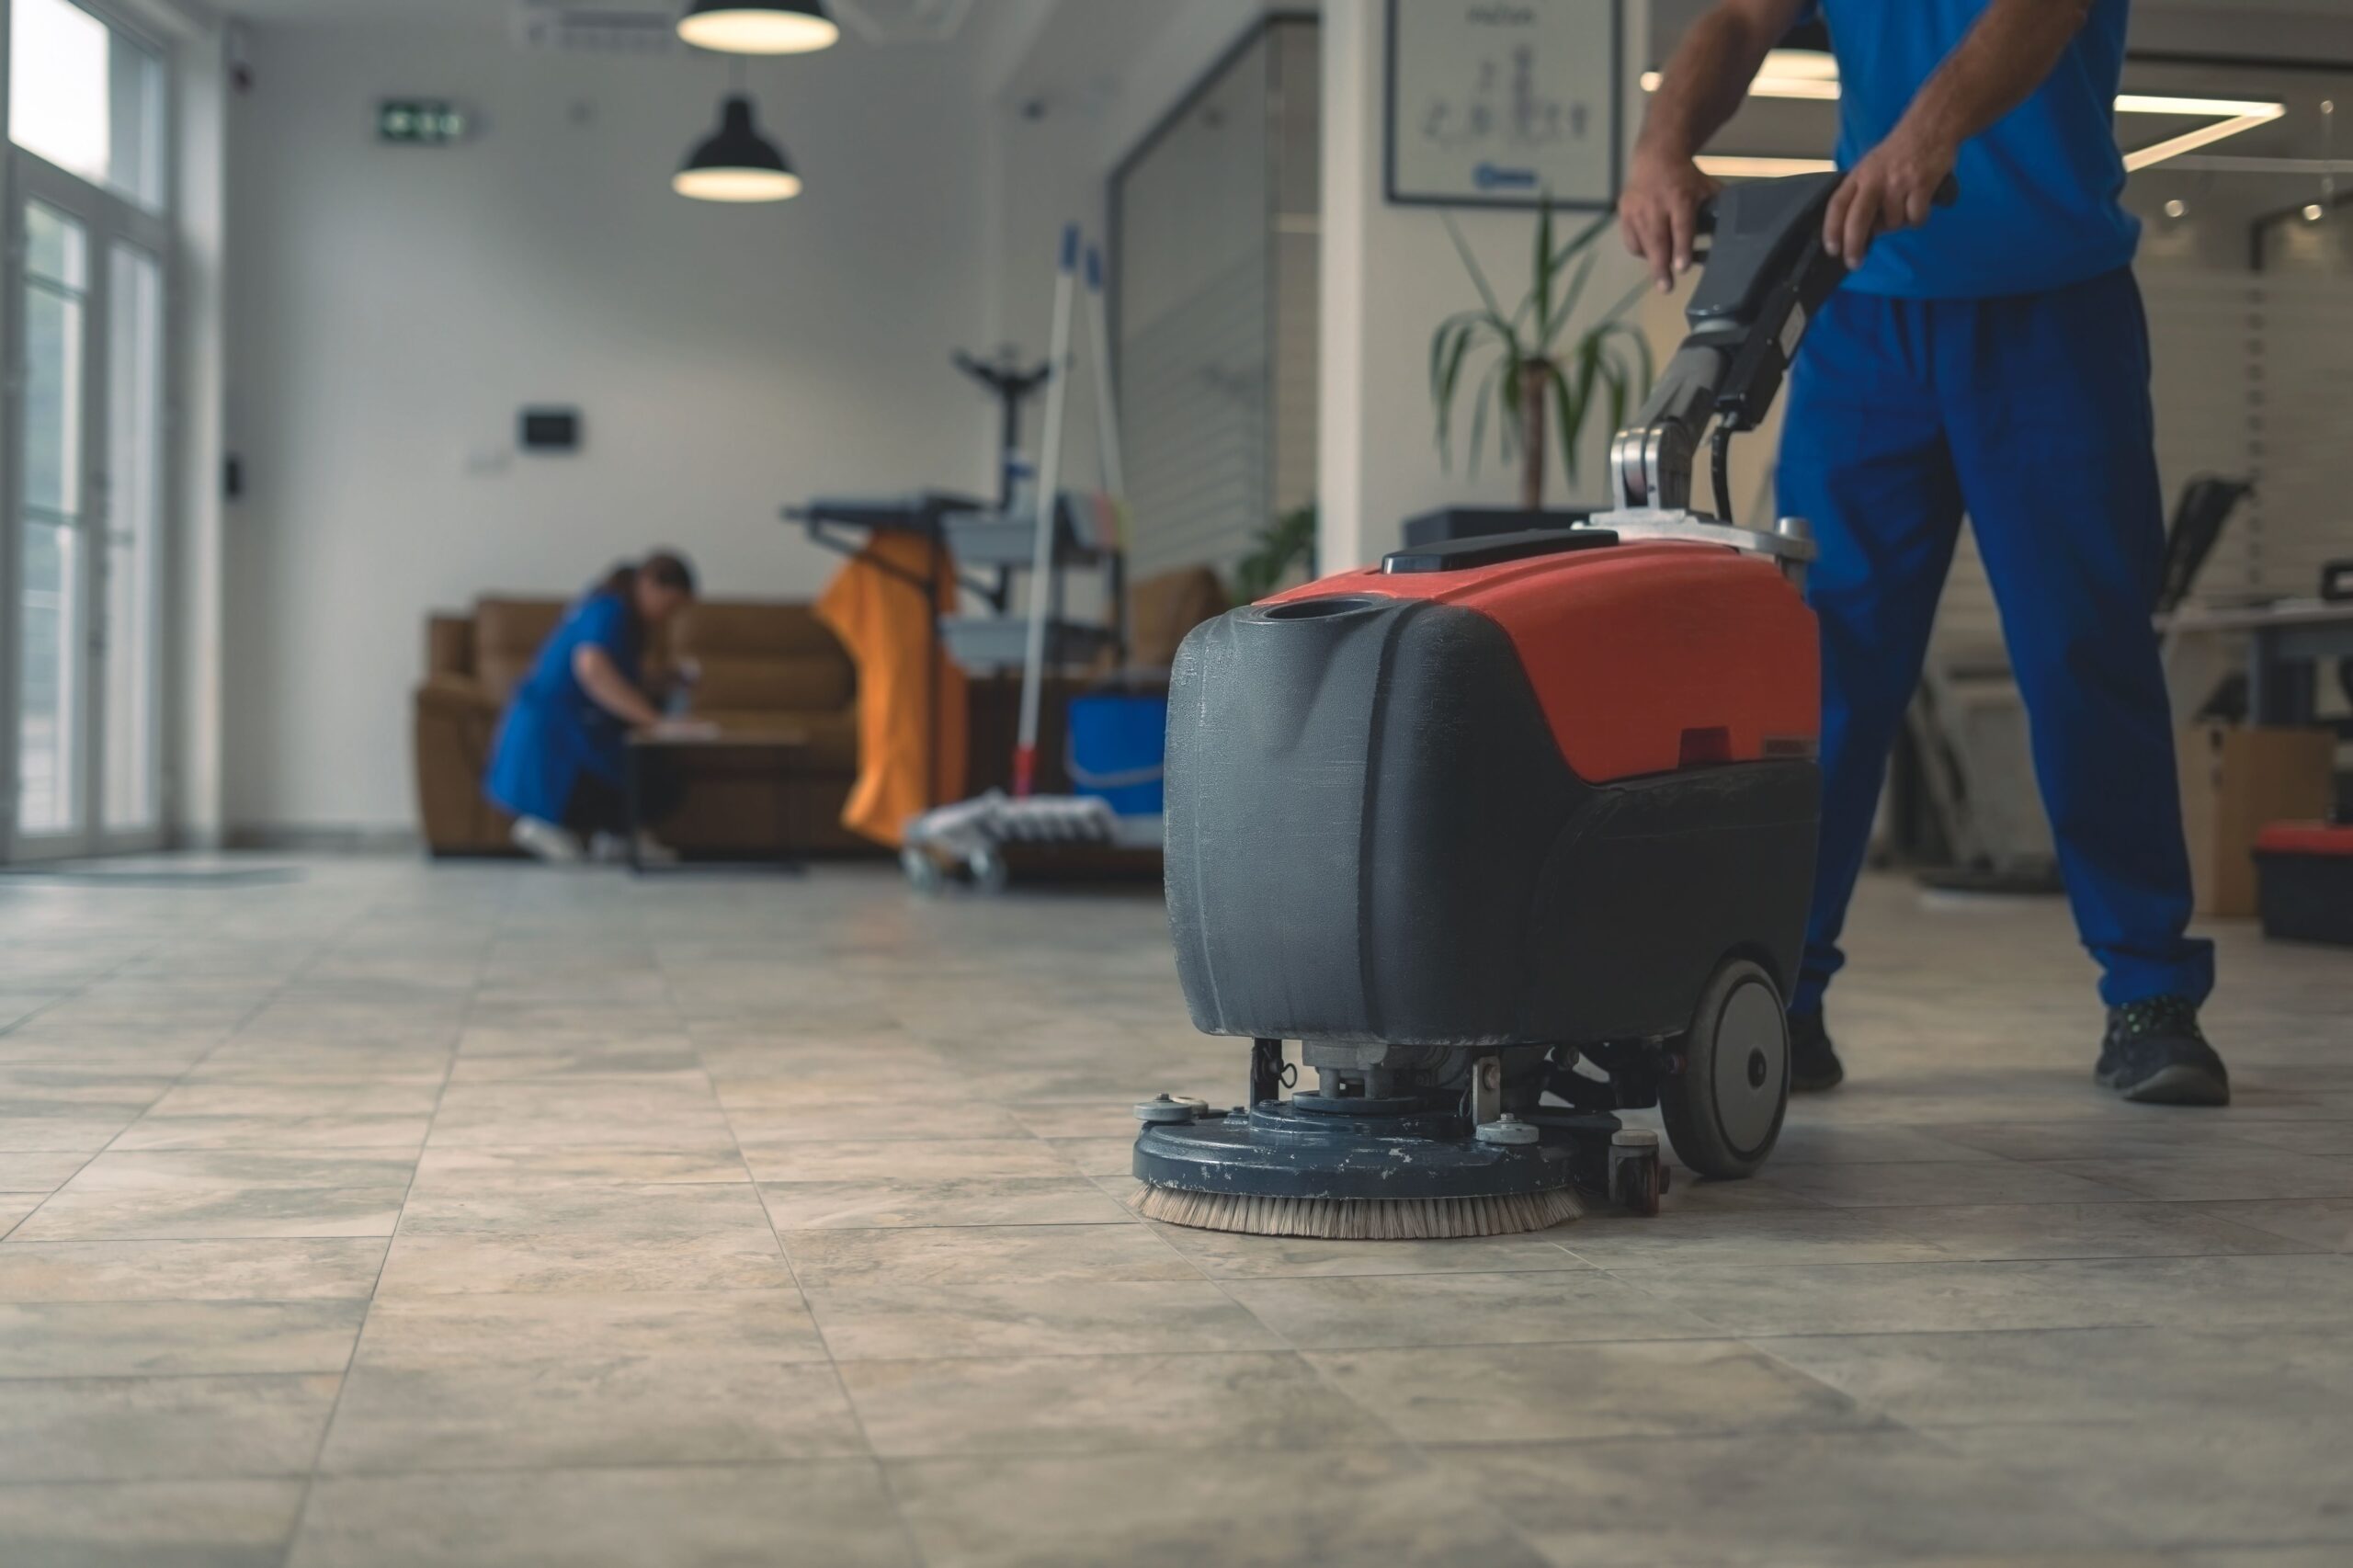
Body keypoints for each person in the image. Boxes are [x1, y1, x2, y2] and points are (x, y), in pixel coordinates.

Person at [1622, 0, 2228, 1105]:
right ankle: (1780, 994)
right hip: (1864, 317)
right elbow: (1741, 17)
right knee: (1820, 675)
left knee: (2081, 654)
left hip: (2055, 313)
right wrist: (1662, 145)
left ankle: (2150, 993)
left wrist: (1927, 127)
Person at [485, 551, 699, 865]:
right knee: (654, 779)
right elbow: (592, 669)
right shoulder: (609, 610)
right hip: (557, 738)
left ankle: (616, 837)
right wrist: (655, 722)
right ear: (650, 583)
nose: (667, 617)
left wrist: (663, 681)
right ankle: (544, 825)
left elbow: (619, 676)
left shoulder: (618, 615)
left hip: (577, 730)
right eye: (669, 606)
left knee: (655, 776)